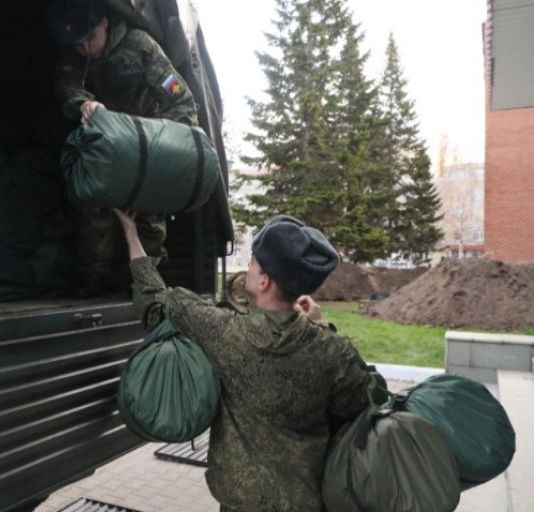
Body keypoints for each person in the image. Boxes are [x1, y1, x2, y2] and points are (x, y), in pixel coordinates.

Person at [114, 210, 371, 512]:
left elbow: (154, 299)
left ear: (264, 282)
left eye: (253, 262)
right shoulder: (334, 351)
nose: (247, 265)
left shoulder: (223, 332)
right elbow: (358, 407)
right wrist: (314, 326)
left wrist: (131, 231)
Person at [48, 0, 198, 297]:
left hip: (145, 151)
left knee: (149, 223)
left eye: (90, 39)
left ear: (104, 22)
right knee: (93, 216)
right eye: (78, 45)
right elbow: (66, 85)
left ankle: (146, 286)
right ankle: (94, 282)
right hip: (102, 150)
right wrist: (84, 103)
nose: (86, 49)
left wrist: (174, 144)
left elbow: (179, 99)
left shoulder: (141, 47)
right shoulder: (76, 57)